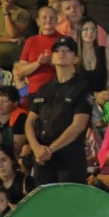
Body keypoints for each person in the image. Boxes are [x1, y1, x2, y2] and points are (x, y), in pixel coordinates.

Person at [24, 38, 96, 186]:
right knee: (45, 203)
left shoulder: (82, 88)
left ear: (76, 59)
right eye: (57, 50)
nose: (61, 53)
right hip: (42, 157)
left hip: (69, 157)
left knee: (68, 204)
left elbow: (78, 125)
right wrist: (37, 148)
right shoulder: (44, 88)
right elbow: (30, 121)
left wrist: (49, 150)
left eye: (67, 50)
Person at [13, 6, 62, 96]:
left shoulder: (64, 40)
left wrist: (51, 61)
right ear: (38, 21)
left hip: (58, 91)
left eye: (52, 17)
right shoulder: (31, 41)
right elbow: (20, 71)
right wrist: (38, 63)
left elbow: (73, 67)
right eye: (44, 17)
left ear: (57, 20)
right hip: (34, 91)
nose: (48, 20)